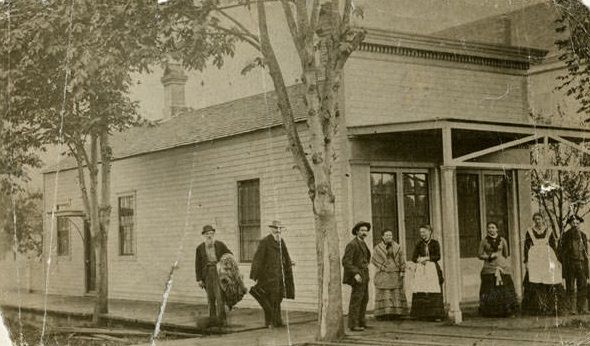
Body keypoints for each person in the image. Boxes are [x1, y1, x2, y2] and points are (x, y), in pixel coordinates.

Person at [250, 220, 295, 328]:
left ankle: (278, 321)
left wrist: (289, 263)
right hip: (268, 276)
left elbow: (286, 255)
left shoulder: (281, 241)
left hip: (279, 275)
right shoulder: (265, 242)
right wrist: (255, 275)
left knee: (278, 298)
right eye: (276, 229)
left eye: (280, 229)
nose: (278, 231)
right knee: (269, 298)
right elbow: (258, 259)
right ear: (271, 229)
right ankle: (269, 322)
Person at [521, 212, 566, 315]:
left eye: (539, 219)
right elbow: (526, 247)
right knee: (535, 282)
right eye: (535, 219)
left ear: (543, 220)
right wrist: (526, 261)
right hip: (535, 259)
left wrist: (557, 260)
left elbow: (553, 246)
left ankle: (551, 307)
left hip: (547, 258)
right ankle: (536, 308)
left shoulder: (549, 231)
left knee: (549, 281)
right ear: (534, 220)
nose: (538, 221)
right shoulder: (530, 231)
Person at [477, 221, 518, 317]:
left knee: (505, 288)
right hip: (489, 267)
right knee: (490, 289)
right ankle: (491, 312)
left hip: (502, 267)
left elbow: (506, 253)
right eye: (489, 228)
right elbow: (479, 254)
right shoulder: (484, 241)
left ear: (497, 229)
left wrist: (501, 261)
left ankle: (507, 311)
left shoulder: (503, 240)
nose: (491, 230)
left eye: (493, 227)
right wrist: (489, 256)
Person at [195, 224, 232, 326]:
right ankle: (212, 320)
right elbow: (197, 264)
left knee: (219, 296)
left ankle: (222, 320)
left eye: (211, 233)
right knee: (210, 297)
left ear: (214, 234)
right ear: (204, 235)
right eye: (207, 234)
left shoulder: (220, 244)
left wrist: (224, 264)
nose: (209, 236)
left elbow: (229, 255)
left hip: (218, 273)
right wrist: (199, 279)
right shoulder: (200, 248)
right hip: (206, 274)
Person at [371, 229, 408, 320]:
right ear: (382, 237)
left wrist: (402, 270)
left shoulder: (397, 247)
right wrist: (383, 267)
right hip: (384, 272)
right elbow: (374, 260)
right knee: (385, 292)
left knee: (395, 292)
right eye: (387, 235)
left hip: (395, 271)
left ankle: (397, 313)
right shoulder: (377, 248)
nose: (389, 237)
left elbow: (401, 259)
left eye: (390, 235)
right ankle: (383, 314)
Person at [410, 225, 445, 321]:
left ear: (430, 232)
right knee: (421, 290)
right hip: (422, 269)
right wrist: (419, 259)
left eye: (424, 232)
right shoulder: (419, 244)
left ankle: (436, 315)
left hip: (432, 269)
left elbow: (437, 256)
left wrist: (427, 258)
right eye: (421, 232)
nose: (423, 234)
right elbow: (413, 257)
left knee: (433, 290)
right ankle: (421, 314)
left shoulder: (435, 243)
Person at [342, 221, 371, 331]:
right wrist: (355, 274)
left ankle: (361, 322)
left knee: (364, 299)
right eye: (362, 230)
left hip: (365, 274)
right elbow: (346, 262)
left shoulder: (363, 243)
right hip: (358, 276)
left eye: (366, 230)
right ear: (357, 231)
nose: (364, 232)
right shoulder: (352, 244)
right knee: (356, 300)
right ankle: (353, 325)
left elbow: (366, 257)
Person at [559, 215, 589, 315]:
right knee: (570, 287)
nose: (575, 225)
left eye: (577, 223)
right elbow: (561, 252)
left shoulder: (583, 236)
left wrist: (586, 267)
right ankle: (571, 309)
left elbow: (586, 253)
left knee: (583, 286)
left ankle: (582, 308)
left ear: (579, 224)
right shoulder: (565, 236)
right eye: (573, 223)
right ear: (570, 224)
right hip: (570, 264)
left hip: (581, 263)